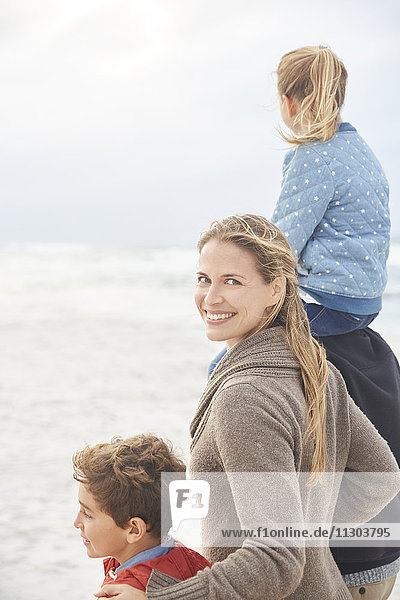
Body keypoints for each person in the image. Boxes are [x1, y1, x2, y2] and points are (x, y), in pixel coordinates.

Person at [95, 215, 400, 600]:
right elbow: (382, 476)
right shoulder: (312, 367)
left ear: (275, 289)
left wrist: (160, 598)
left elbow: (275, 558)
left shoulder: (246, 397)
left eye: (232, 281)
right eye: (204, 278)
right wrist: (304, 531)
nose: (211, 298)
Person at [271, 45, 390, 338]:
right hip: (366, 302)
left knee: (233, 356)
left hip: (327, 299)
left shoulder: (312, 156)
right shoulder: (362, 151)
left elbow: (281, 243)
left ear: (289, 103)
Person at [73, 434, 211, 591]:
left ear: (134, 529)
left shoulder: (125, 592)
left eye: (87, 514)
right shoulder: (189, 559)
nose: (76, 522)